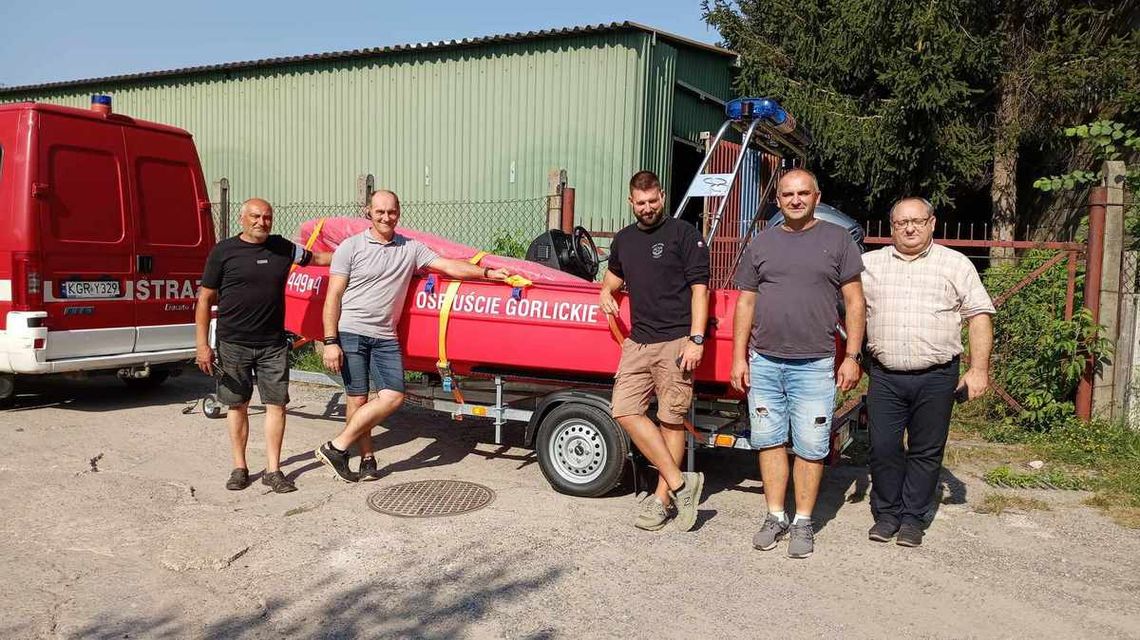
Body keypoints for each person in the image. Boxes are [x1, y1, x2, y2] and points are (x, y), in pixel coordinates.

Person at [314, 189, 511, 482]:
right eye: (379, 212)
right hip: (352, 331)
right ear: (368, 212)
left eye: (391, 212)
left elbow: (447, 265)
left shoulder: (411, 248)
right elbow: (333, 297)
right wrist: (330, 342)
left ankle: (336, 447)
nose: (385, 217)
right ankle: (366, 458)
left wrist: (486, 273)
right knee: (357, 400)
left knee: (393, 396)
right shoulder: (350, 247)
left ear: (399, 213)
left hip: (385, 335)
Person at [730, 168, 865, 559]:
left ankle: (803, 521)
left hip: (815, 364)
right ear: (778, 200)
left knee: (810, 446)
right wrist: (739, 357)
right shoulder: (762, 243)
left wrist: (852, 356)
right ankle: (775, 516)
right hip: (765, 363)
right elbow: (746, 303)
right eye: (787, 194)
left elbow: (855, 303)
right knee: (769, 441)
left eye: (803, 193)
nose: (795, 200)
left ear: (816, 197)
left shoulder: (837, 240)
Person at [861, 197, 994, 547]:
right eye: (902, 222)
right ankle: (887, 514)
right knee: (883, 447)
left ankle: (912, 519)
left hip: (937, 375)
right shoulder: (867, 265)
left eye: (917, 221)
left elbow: (979, 315)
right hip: (885, 375)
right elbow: (843, 308)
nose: (909, 228)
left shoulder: (955, 264)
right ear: (891, 227)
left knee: (926, 450)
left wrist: (979, 369)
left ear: (932, 223)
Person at [196, 198, 331, 493]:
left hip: (272, 344)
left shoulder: (283, 247)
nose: (261, 222)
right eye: (255, 217)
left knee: (277, 405)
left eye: (267, 217)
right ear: (242, 219)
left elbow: (318, 260)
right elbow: (205, 300)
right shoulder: (223, 252)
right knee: (237, 405)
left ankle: (274, 470)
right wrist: (202, 345)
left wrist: (359, 253)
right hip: (233, 343)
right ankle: (240, 468)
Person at [599, 170, 709, 532]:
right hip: (638, 342)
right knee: (625, 410)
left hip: (676, 342)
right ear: (631, 202)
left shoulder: (684, 235)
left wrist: (696, 339)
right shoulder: (625, 240)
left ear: (662, 196)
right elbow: (613, 278)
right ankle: (681, 483)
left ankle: (663, 499)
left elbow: (699, 290)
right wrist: (605, 293)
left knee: (671, 419)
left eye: (653, 201)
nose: (647, 208)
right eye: (640, 203)